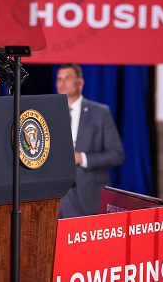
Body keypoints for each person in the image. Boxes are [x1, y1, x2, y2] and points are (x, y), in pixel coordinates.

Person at [56, 63, 125, 218]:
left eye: (67, 78)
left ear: (80, 82)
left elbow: (116, 154)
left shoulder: (100, 113)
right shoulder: (49, 113)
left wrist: (83, 158)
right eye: (59, 78)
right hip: (57, 197)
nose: (62, 82)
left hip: (88, 196)